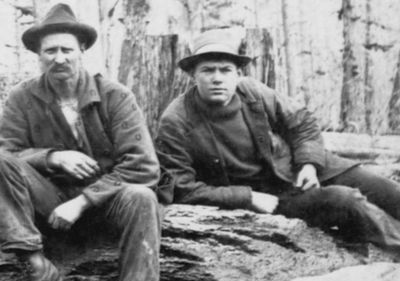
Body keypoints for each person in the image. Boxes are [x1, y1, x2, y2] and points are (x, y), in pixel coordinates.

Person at [0, 3, 163, 281]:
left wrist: (83, 200)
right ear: (39, 55)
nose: (60, 58)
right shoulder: (23, 97)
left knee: (144, 197)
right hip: (50, 202)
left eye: (67, 49)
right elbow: (6, 151)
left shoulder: (114, 97)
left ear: (82, 51)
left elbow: (143, 164)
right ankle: (38, 269)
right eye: (50, 50)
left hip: (107, 204)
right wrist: (51, 156)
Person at [157, 27, 400, 254]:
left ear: (238, 74)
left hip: (298, 165)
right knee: (346, 201)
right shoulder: (176, 121)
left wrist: (309, 164)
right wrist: (246, 198)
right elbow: (182, 189)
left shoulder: (252, 92)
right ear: (192, 75)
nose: (217, 78)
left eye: (225, 70)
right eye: (208, 70)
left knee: (385, 189)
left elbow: (302, 122)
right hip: (271, 195)